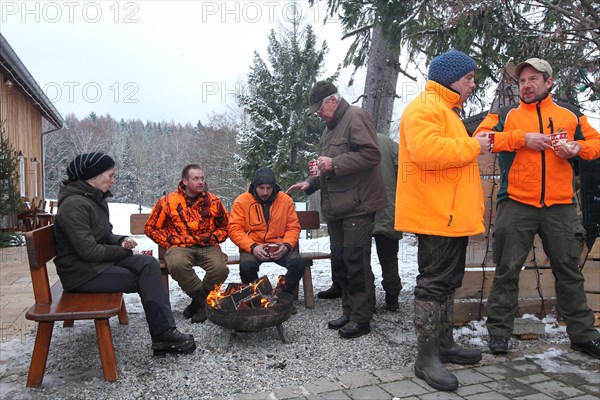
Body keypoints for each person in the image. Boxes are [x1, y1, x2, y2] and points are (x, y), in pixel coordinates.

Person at [475, 58, 600, 359]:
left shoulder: (571, 114)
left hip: (560, 207)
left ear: (549, 82)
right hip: (516, 203)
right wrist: (522, 139)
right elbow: (479, 140)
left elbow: (596, 142)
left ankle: (582, 336)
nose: (527, 85)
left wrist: (578, 148)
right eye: (522, 81)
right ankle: (500, 333)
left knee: (569, 271)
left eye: (533, 79)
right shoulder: (505, 113)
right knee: (507, 270)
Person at [395, 50, 489, 391]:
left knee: (448, 282)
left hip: (451, 216)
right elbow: (427, 152)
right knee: (433, 285)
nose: (472, 84)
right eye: (468, 78)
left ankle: (444, 345)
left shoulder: (446, 111)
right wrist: (473, 145)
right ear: (451, 79)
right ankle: (425, 358)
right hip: (436, 215)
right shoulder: (425, 108)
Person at [53, 152, 195, 356]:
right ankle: (163, 335)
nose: (113, 180)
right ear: (93, 176)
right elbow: (89, 251)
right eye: (110, 175)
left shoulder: (91, 199)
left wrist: (120, 240)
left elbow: (103, 235)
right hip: (81, 274)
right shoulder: (74, 205)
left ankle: (165, 332)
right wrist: (121, 252)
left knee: (148, 264)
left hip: (94, 266)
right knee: (144, 277)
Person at [286, 80, 387, 339]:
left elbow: (371, 155)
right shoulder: (329, 129)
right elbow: (327, 168)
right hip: (338, 208)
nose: (318, 114)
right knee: (342, 261)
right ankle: (349, 311)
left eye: (319, 108)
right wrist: (310, 182)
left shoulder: (355, 117)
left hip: (357, 205)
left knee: (356, 262)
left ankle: (362, 318)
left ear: (333, 99)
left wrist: (335, 163)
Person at [317, 133, 404, 312]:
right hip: (386, 205)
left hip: (358, 207)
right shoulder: (388, 143)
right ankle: (392, 296)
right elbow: (403, 170)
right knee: (388, 255)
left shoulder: (347, 143)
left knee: (358, 257)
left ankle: (366, 301)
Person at [145, 164, 229, 324]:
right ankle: (202, 300)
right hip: (180, 247)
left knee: (220, 269)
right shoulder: (168, 201)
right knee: (177, 264)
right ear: (185, 181)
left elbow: (225, 226)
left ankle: (197, 303)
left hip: (207, 245)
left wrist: (214, 237)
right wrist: (171, 241)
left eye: (202, 178)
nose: (200, 182)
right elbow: (151, 228)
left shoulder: (213, 201)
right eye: (195, 179)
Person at [228, 166, 305, 295]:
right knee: (247, 267)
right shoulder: (241, 201)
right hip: (253, 244)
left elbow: (293, 227)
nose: (265, 192)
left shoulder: (285, 200)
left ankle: (282, 295)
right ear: (254, 187)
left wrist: (286, 246)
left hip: (279, 243)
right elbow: (234, 229)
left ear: (274, 187)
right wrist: (253, 247)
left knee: (298, 264)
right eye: (261, 188)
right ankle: (256, 297)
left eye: (269, 188)